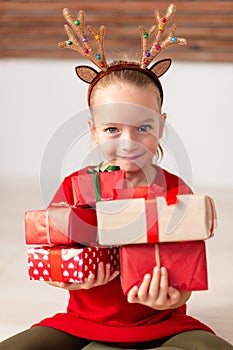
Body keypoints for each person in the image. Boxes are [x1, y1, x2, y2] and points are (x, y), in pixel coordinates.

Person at [1, 5, 232, 350]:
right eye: (112, 128)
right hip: (82, 322)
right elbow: (52, 260)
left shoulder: (174, 191)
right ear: (93, 131)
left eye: (142, 128)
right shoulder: (75, 187)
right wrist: (69, 282)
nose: (128, 142)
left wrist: (170, 298)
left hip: (161, 322)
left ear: (161, 126)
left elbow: (185, 275)